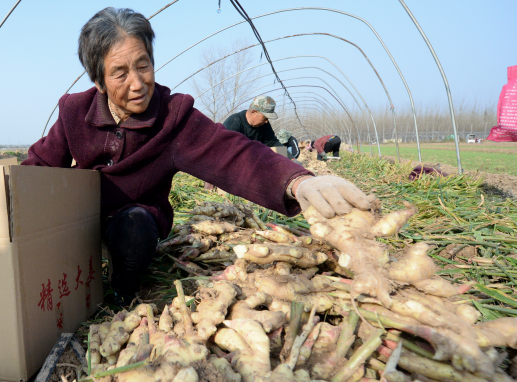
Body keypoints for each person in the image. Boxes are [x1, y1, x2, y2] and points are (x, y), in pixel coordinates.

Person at [20, 7, 374, 305]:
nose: (137, 83)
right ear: (98, 81)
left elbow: (233, 154)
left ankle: (121, 294)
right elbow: (39, 164)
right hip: (83, 221)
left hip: (137, 221)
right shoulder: (73, 111)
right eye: (120, 73)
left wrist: (296, 181)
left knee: (134, 229)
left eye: (143, 65)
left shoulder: (174, 117)